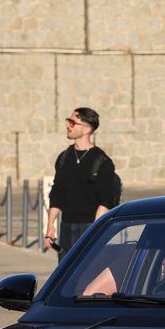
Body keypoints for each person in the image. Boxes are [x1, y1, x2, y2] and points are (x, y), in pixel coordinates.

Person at [44, 107, 117, 262]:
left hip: (89, 226)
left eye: (72, 122)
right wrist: (50, 227)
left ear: (87, 129)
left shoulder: (102, 161)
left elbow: (106, 200)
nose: (68, 125)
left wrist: (94, 231)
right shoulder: (64, 158)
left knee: (88, 272)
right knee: (65, 272)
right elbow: (56, 194)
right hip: (66, 226)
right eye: (68, 121)